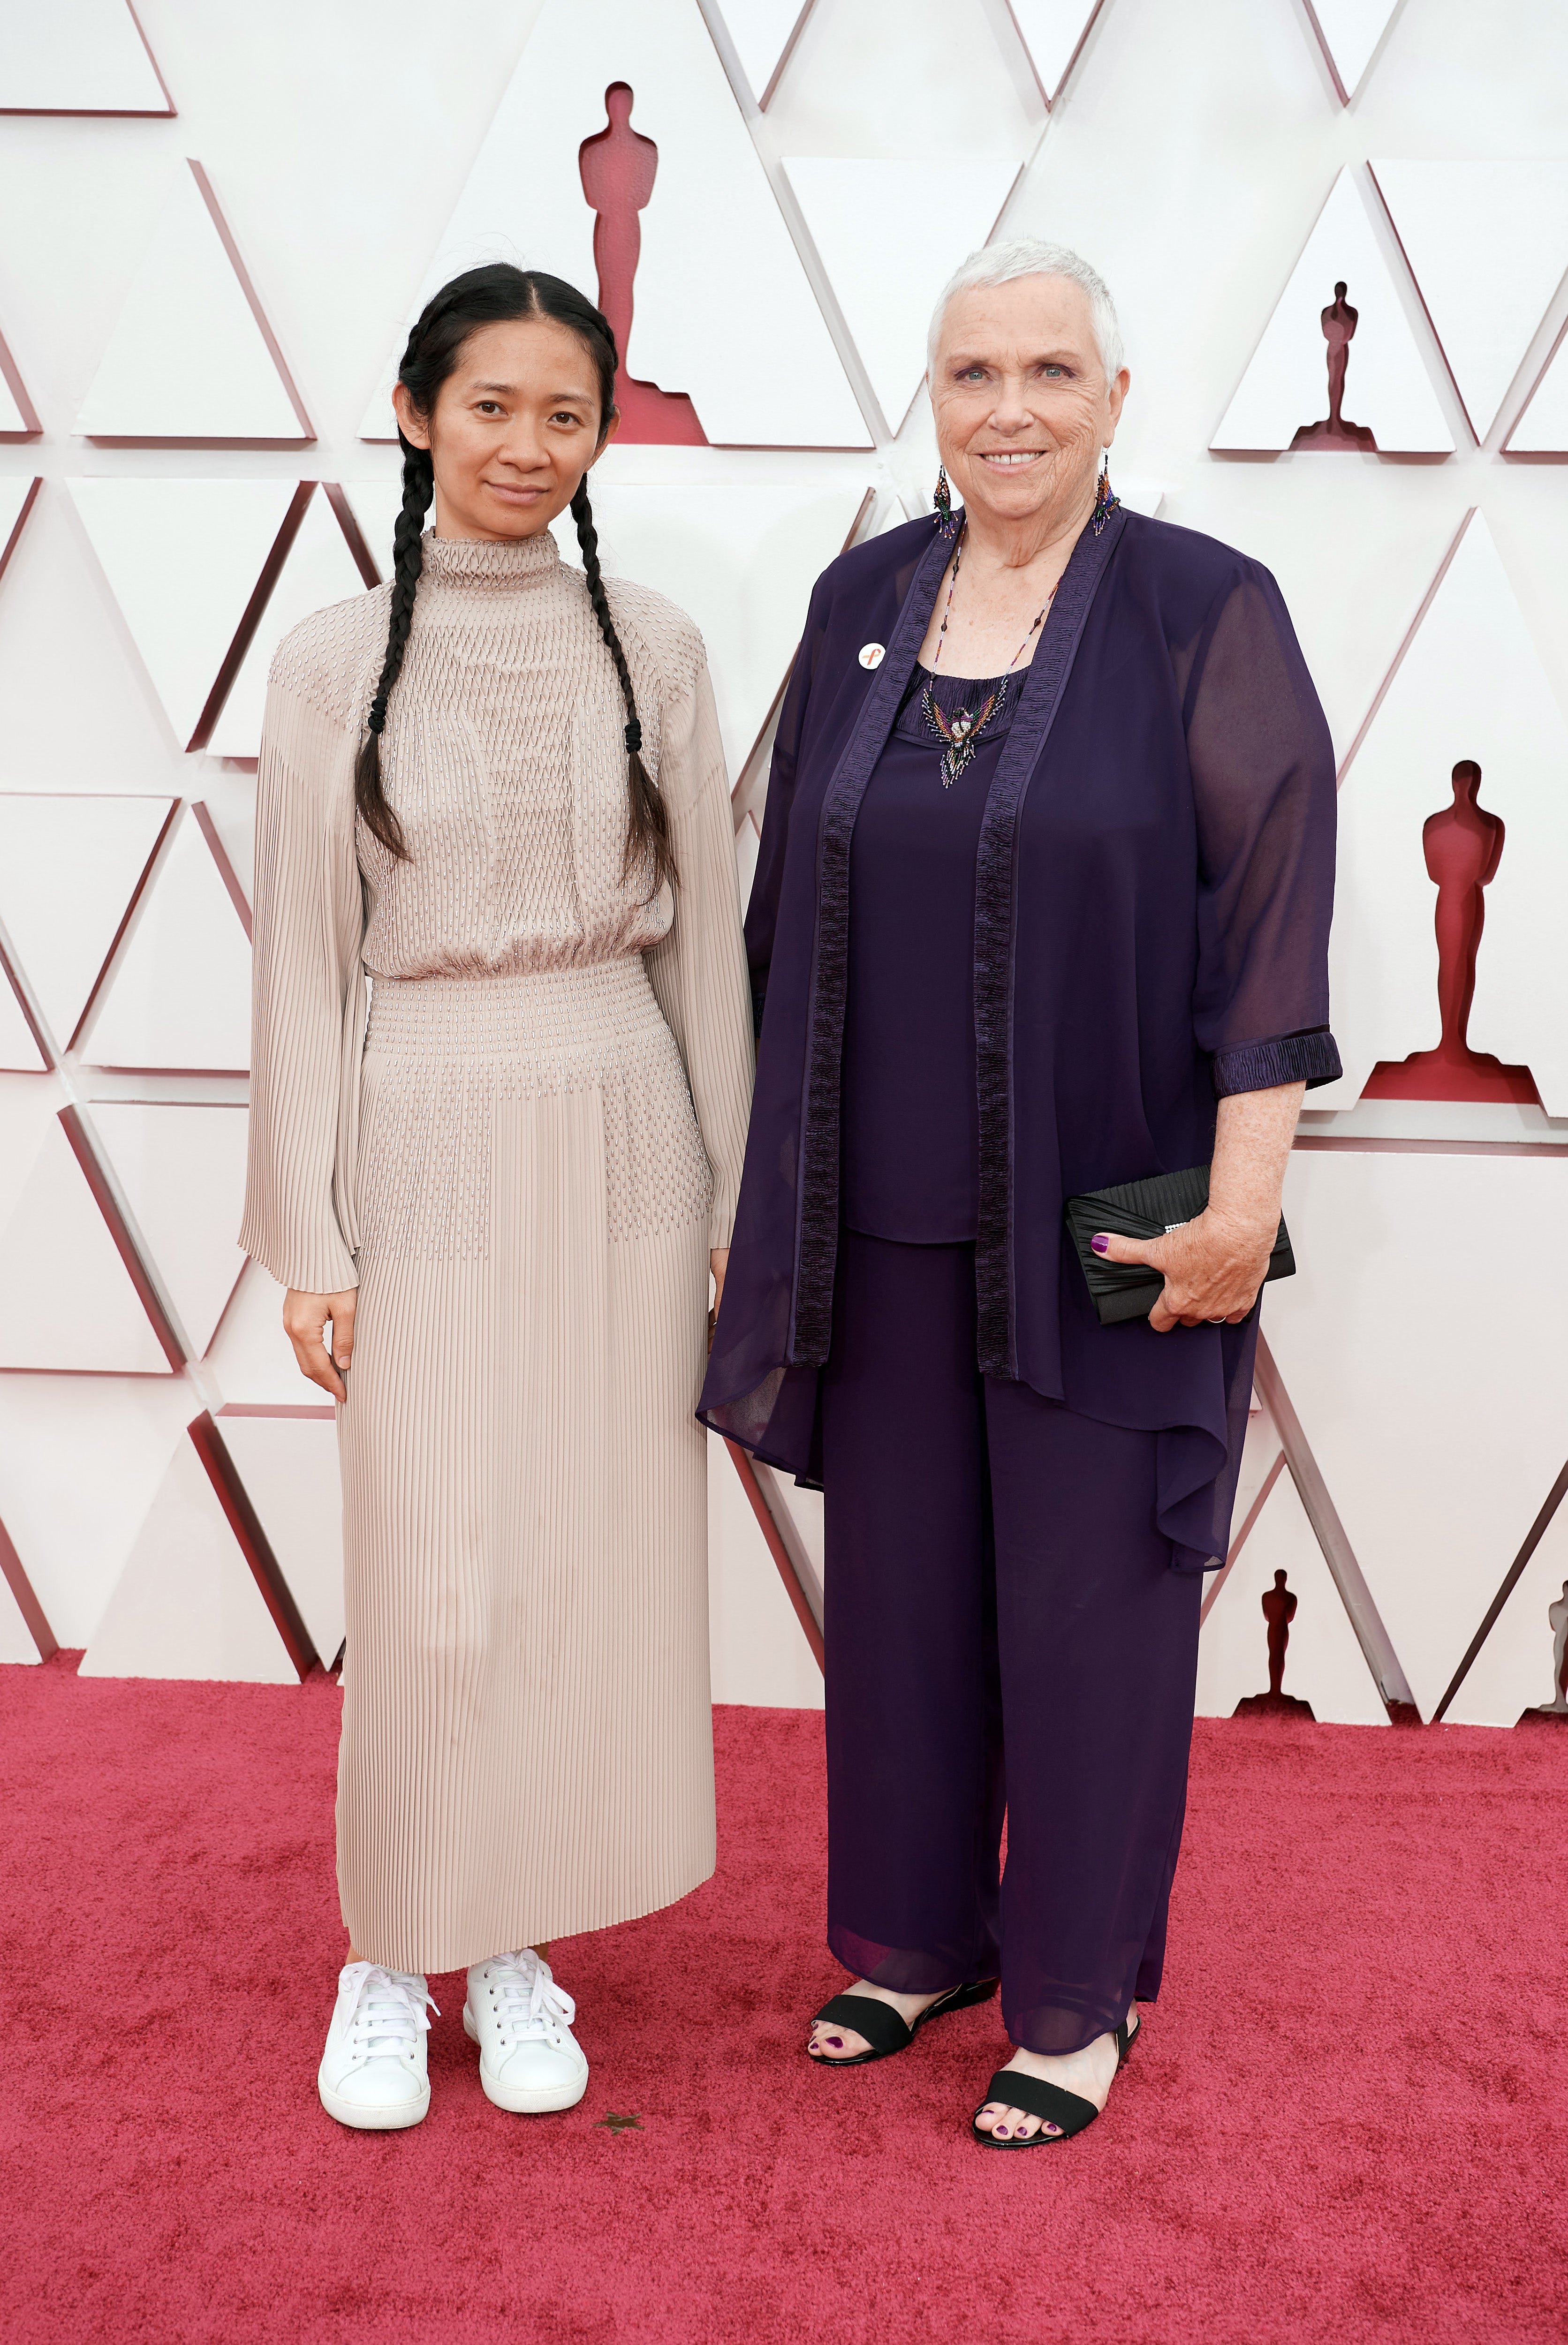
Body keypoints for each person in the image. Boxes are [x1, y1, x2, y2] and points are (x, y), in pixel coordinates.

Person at [699, 238, 1341, 2148]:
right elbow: (775, 920)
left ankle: (1069, 1996)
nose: (1005, 407)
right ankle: (914, 1935)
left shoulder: (1199, 613)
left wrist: (1241, 1210)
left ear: (1115, 399)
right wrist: (762, 1196)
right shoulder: (865, 600)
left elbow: (1269, 926)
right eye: (969, 370)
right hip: (874, 1215)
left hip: (1108, 1224)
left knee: (1087, 1613)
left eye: (1047, 370)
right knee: (897, 1600)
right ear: (930, 393)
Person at [240, 264, 753, 2130]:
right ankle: (393, 1949)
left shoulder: (662, 648)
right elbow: (301, 956)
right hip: (428, 1118)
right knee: (431, 1572)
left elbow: (709, 949)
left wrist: (729, 1197)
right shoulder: (327, 658)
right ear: (411, 411)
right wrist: (306, 1235)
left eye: (562, 413)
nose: (525, 445)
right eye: (489, 406)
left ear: (598, 433)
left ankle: (518, 1935)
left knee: (575, 1563)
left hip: (624, 1119)